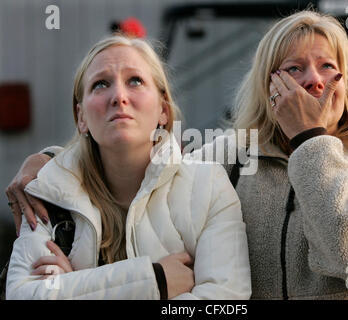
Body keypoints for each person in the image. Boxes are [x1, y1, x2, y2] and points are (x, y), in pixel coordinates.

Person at [6, 10, 348, 300]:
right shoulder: (227, 160)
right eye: (294, 69)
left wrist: (310, 138)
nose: (314, 81)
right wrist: (52, 162)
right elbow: (147, 158)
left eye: (326, 66)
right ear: (269, 85)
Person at [4, 35, 251, 300]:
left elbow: (225, 301)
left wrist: (73, 287)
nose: (119, 96)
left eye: (135, 81)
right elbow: (22, 295)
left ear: (163, 111)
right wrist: (154, 280)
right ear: (81, 117)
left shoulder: (208, 185)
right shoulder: (48, 192)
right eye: (100, 84)